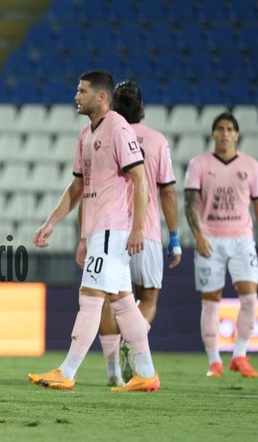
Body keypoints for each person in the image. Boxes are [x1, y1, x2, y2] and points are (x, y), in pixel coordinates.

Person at [29, 70, 160, 392]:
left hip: (114, 229)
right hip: (100, 230)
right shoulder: (85, 134)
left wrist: (138, 227)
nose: (76, 96)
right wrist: (53, 223)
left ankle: (67, 371)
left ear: (101, 97)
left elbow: (140, 179)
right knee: (123, 302)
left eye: (82, 91)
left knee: (89, 298)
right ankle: (146, 373)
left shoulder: (118, 128)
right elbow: (78, 186)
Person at [80, 80, 181, 385]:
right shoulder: (157, 140)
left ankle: (113, 371)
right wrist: (174, 237)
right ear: (141, 107)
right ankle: (133, 339)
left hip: (110, 230)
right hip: (145, 232)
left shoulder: (106, 133)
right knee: (147, 298)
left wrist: (84, 235)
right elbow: (167, 192)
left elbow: (86, 188)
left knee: (110, 298)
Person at [185, 112, 258, 378]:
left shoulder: (251, 165)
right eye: (220, 128)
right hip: (210, 239)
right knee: (210, 301)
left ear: (237, 134)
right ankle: (214, 362)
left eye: (229, 129)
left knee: (250, 298)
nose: (225, 133)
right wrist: (198, 237)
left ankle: (239, 355)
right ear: (213, 133)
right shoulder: (199, 164)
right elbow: (189, 204)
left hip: (242, 238)